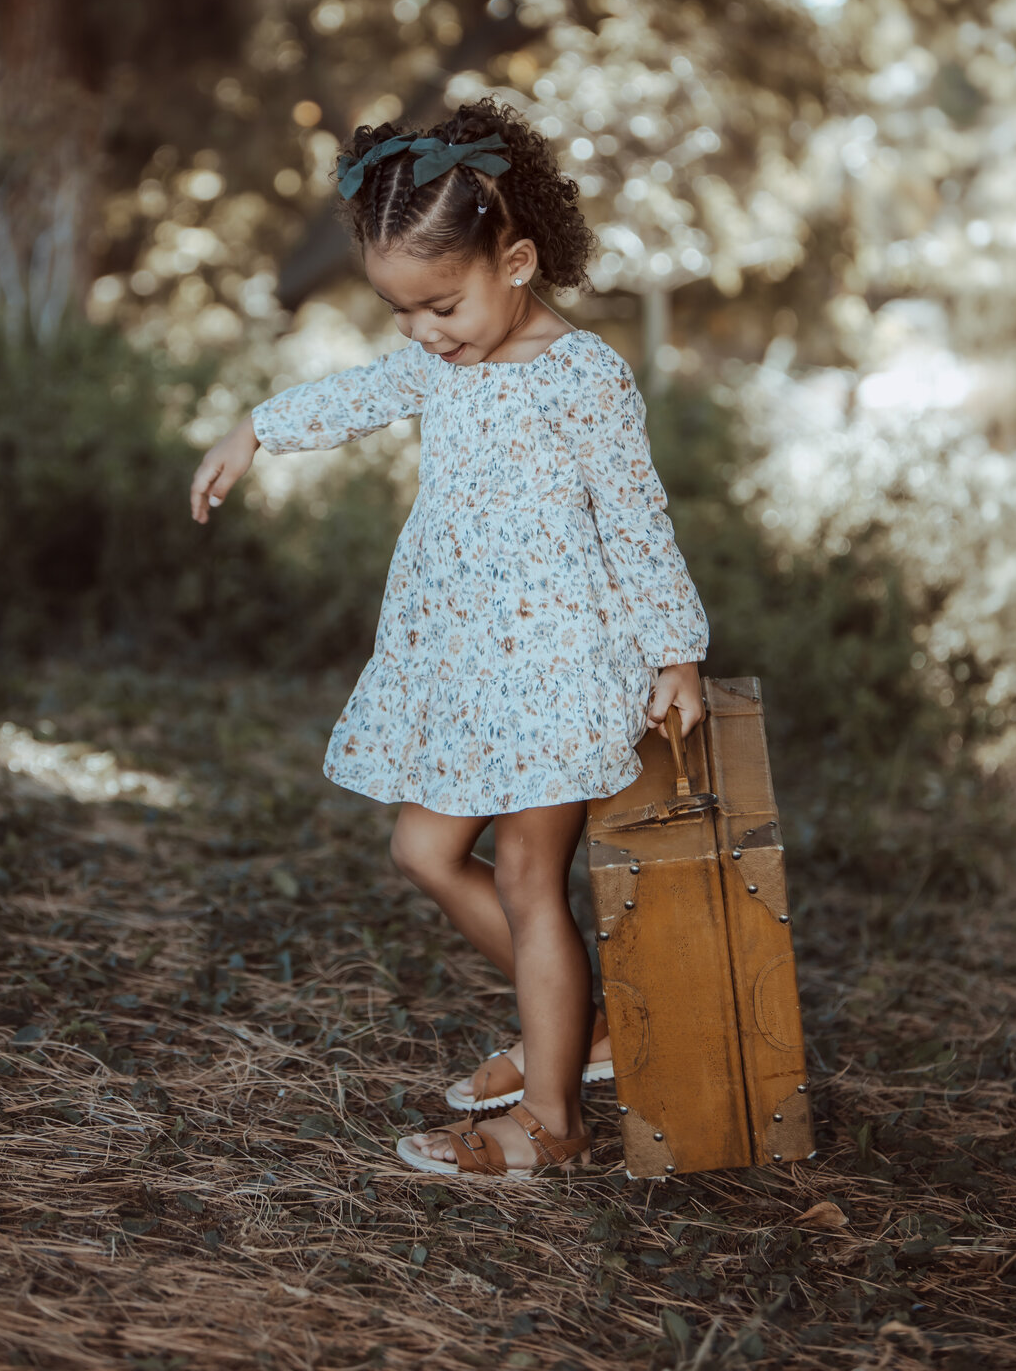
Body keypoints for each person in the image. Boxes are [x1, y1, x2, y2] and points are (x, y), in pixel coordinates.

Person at [189, 96, 708, 1179]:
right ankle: (583, 1026)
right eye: (401, 311)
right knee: (423, 851)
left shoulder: (582, 376)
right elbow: (359, 394)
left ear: (516, 262)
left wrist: (675, 652)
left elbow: (636, 519)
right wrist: (255, 430)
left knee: (527, 875)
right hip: (466, 666)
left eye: (441, 303)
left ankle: (552, 1125)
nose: (423, 331)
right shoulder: (438, 362)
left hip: (559, 666)